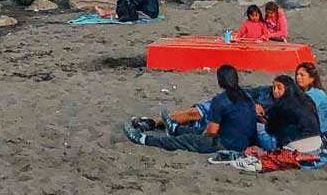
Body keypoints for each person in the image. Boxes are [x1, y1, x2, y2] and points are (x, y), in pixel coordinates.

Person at [124, 64, 257, 153]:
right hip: (243, 142)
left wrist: (205, 135)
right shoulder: (247, 96)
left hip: (226, 144)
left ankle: (144, 139)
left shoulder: (220, 100)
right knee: (198, 130)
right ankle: (175, 128)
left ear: (220, 81)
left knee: (184, 141)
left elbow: (211, 131)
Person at [262, 74, 324, 153]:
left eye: (279, 88)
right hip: (317, 144)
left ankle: (268, 152)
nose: (275, 91)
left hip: (296, 148)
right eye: (274, 88)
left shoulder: (280, 104)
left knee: (261, 130)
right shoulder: (307, 99)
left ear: (287, 88)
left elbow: (270, 130)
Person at [293, 62, 327, 137]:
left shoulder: (317, 94)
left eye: (302, 75)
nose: (298, 77)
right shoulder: (301, 93)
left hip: (320, 133)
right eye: (297, 74)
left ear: (311, 79)